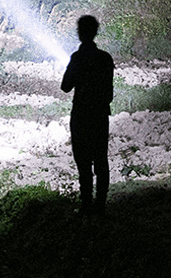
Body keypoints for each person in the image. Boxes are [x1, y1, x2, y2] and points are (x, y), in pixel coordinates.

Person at [61, 14, 114, 215]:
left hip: (81, 114)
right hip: (100, 114)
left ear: (80, 33)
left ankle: (86, 204)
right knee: (101, 158)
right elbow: (109, 93)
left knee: (83, 160)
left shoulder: (77, 58)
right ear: (96, 32)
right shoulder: (105, 58)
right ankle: (100, 203)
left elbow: (65, 86)